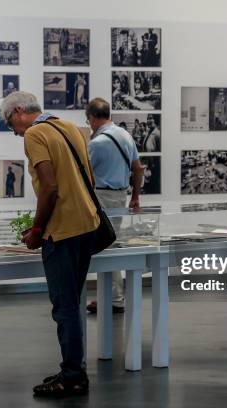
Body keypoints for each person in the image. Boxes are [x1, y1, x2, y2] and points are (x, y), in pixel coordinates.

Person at [0, 91, 99, 398]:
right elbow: (89, 178)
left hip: (62, 231)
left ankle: (72, 377)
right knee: (73, 302)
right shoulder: (71, 127)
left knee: (64, 306)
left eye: (10, 124)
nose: (14, 132)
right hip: (88, 225)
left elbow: (50, 187)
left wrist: (37, 229)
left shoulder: (35, 134)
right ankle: (73, 367)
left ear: (18, 112)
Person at [84, 98, 144, 314]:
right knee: (111, 245)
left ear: (91, 117)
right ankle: (112, 296)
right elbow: (138, 168)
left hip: (101, 197)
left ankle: (114, 298)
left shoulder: (97, 143)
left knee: (103, 248)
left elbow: (84, 175)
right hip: (121, 196)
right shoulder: (125, 135)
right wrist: (135, 196)